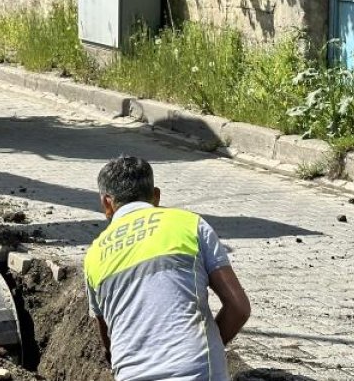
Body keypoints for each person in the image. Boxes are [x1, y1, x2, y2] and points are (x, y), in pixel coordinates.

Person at [84, 155, 250, 381]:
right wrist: (208, 350)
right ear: (156, 196)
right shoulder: (188, 224)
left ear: (107, 203)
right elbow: (239, 308)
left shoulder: (94, 255)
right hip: (197, 370)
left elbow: (109, 342)